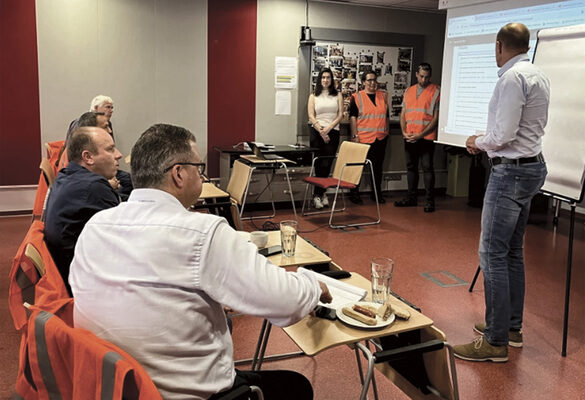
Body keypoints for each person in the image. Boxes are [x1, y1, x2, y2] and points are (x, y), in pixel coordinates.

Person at [69, 123, 332, 399]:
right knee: (296, 387)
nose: (204, 176)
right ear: (179, 173)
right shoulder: (203, 232)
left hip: (115, 387)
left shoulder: (95, 226)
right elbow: (285, 300)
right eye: (199, 168)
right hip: (184, 392)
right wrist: (313, 284)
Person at [454, 22, 549, 362]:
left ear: (499, 46)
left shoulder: (511, 78)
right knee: (511, 252)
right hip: (531, 167)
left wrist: (476, 141)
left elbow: (503, 136)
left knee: (492, 253)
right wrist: (488, 140)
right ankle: (510, 328)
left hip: (511, 173)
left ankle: (495, 342)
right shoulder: (538, 74)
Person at [44, 127, 122, 295]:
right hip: (87, 287)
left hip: (67, 274)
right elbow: (124, 244)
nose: (118, 155)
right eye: (110, 149)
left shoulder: (65, 175)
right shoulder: (94, 188)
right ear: (88, 157)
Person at [394, 63, 440, 213]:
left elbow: (436, 118)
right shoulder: (409, 91)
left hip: (426, 137)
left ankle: (429, 201)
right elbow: (403, 114)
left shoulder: (436, 91)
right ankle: (411, 198)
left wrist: (421, 134)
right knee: (411, 167)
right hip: (409, 136)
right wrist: (403, 132)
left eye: (427, 77)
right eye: (421, 76)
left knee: (427, 168)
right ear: (416, 74)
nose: (424, 80)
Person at [349, 71, 390, 204]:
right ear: (363, 82)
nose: (373, 83)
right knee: (357, 167)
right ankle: (354, 194)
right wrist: (355, 135)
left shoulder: (383, 96)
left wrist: (387, 131)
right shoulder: (357, 97)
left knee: (377, 168)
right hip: (362, 138)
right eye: (369, 80)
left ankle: (376, 194)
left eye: (374, 80)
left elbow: (386, 116)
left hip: (380, 138)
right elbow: (353, 118)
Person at [307, 67, 343, 209]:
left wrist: (328, 128)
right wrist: (321, 130)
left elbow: (340, 115)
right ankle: (318, 195)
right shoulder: (313, 96)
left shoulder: (338, 95)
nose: (325, 80)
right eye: (323, 77)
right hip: (317, 131)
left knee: (327, 164)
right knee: (318, 164)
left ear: (331, 80)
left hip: (333, 131)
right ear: (319, 79)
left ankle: (320, 193)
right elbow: (311, 115)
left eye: (328, 77)